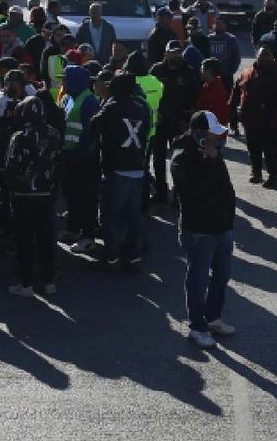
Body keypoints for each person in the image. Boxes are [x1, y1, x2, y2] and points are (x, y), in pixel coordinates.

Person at [171, 110, 237, 349]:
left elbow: (225, 187)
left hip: (221, 227)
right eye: (213, 134)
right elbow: (191, 190)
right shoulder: (183, 156)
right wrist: (206, 161)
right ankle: (197, 326)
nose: (217, 139)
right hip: (199, 230)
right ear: (199, 134)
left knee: (222, 276)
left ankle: (213, 317)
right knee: (198, 279)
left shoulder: (214, 153)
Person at [85, 73, 151, 271]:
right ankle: (134, 258)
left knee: (109, 217)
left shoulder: (111, 107)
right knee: (133, 217)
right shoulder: (142, 108)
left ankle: (111, 258)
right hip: (137, 168)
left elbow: (94, 127)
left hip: (117, 169)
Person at [2, 96, 62, 296]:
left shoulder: (18, 137)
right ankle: (49, 281)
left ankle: (26, 283)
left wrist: (13, 186)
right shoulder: (54, 134)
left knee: (24, 240)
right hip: (46, 194)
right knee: (46, 238)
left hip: (23, 195)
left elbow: (10, 167)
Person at [148, 40, 201, 205]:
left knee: (180, 160)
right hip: (160, 122)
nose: (176, 55)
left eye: (179, 52)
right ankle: (160, 191)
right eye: (173, 52)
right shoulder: (156, 70)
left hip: (181, 123)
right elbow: (148, 93)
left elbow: (196, 97)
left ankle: (179, 193)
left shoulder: (189, 72)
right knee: (158, 159)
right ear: (166, 53)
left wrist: (187, 120)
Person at [231, 47, 277, 187]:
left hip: (270, 121)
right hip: (249, 120)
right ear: (256, 56)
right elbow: (236, 91)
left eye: (267, 55)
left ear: (272, 57)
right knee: (253, 149)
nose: (264, 58)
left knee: (271, 150)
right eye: (261, 55)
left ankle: (273, 176)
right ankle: (256, 173)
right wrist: (233, 110)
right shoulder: (247, 73)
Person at [56, 65, 101, 252]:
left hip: (83, 158)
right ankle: (73, 228)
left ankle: (88, 236)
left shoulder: (89, 101)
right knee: (71, 196)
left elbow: (92, 132)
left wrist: (81, 153)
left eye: (65, 79)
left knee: (86, 198)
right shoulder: (66, 98)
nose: (63, 82)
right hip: (67, 155)